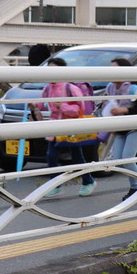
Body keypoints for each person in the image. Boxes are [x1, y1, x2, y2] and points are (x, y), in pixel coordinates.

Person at [41, 57, 96, 197]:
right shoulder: (47, 89)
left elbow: (80, 110)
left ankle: (88, 181)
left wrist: (63, 106)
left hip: (70, 127)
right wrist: (34, 105)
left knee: (77, 156)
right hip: (54, 127)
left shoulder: (70, 88)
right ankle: (56, 185)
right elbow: (43, 106)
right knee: (51, 156)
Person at [107, 57, 137, 202]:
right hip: (120, 127)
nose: (111, 73)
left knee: (128, 158)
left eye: (115, 70)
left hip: (135, 127)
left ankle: (135, 188)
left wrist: (124, 110)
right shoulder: (110, 87)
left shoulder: (133, 88)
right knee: (119, 161)